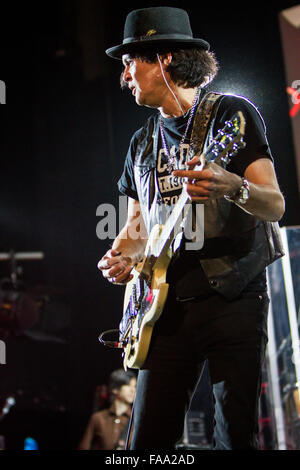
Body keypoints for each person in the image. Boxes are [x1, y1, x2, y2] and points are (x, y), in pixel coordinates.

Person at [98, 7, 285, 450]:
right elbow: (135, 229)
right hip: (163, 311)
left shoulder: (230, 116)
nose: (124, 74)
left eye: (131, 61)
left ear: (162, 59)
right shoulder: (141, 142)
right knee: (145, 442)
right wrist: (120, 257)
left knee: (233, 435)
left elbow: (274, 204)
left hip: (233, 296)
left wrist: (232, 185)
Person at [78, 369, 136, 450]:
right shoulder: (98, 418)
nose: (133, 390)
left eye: (134, 386)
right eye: (128, 385)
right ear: (115, 389)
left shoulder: (136, 421)